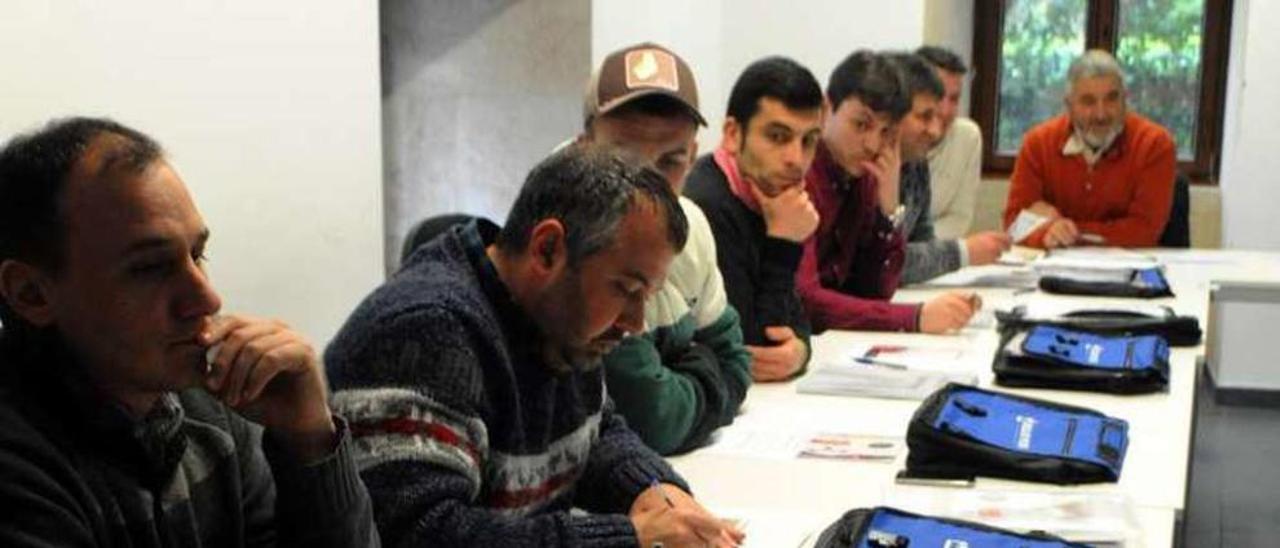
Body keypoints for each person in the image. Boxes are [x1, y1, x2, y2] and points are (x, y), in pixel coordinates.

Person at [324, 146, 745, 548]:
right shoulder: (423, 332)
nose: (635, 323)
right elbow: (421, 535)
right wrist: (634, 538)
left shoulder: (558, 318)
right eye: (626, 289)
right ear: (547, 250)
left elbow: (595, 432)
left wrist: (654, 490)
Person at [0, 117, 378, 547]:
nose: (207, 299)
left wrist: (309, 438)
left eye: (198, 254)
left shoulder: (207, 408)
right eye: (150, 267)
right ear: (31, 294)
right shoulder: (17, 461)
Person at [577, 43, 752, 455]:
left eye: (670, 161)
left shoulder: (692, 225)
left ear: (693, 157)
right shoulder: (573, 247)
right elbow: (651, 418)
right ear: (584, 148)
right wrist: (701, 366)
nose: (648, 185)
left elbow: (737, 366)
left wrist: (684, 377)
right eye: (624, 159)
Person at [797, 50, 978, 334]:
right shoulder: (800, 173)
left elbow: (875, 291)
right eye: (861, 124)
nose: (871, 143)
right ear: (825, 109)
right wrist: (913, 318)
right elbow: (806, 302)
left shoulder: (865, 176)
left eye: (885, 132)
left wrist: (888, 211)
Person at [684, 56, 824, 382]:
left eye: (809, 141)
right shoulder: (709, 204)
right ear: (733, 134)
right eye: (778, 137)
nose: (796, 159)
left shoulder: (773, 196)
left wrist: (801, 350)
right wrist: (783, 244)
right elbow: (752, 348)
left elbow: (798, 319)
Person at [1003, 49, 1177, 249]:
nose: (1101, 114)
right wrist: (1045, 233)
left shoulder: (1155, 144)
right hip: (1053, 270)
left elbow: (1144, 232)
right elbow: (1014, 225)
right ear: (1069, 104)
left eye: (1112, 99)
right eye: (1088, 101)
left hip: (1127, 271)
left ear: (1125, 99)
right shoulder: (1037, 144)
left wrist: (1062, 229)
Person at [888, 52, 1009, 285]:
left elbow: (922, 244)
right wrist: (962, 253)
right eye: (925, 116)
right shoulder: (865, 166)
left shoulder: (916, 159)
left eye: (954, 99)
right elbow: (881, 266)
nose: (935, 128)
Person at [917, 45, 985, 240]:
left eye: (954, 99)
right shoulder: (890, 140)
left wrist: (924, 251)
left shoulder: (968, 137)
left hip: (934, 255)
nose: (945, 111)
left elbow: (959, 219)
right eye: (938, 97)